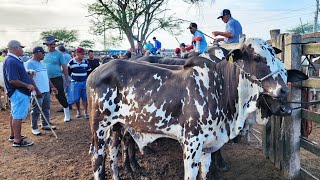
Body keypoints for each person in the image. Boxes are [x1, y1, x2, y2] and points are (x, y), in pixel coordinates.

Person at [3, 40, 35, 147]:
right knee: (17, 115)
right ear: (15, 48)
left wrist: (26, 73)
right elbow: (12, 80)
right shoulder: (11, 61)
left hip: (17, 92)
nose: (22, 50)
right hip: (18, 92)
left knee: (14, 114)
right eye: (21, 48)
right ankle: (17, 140)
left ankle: (14, 135)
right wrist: (27, 85)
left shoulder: (12, 60)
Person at [26, 46, 58, 135]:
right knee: (36, 109)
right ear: (37, 53)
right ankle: (34, 127)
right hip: (37, 91)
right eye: (43, 53)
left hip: (46, 90)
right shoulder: (29, 63)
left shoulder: (42, 63)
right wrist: (37, 90)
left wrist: (52, 87)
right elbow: (30, 79)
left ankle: (45, 124)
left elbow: (46, 76)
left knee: (46, 108)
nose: (44, 55)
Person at [42, 35, 71, 122]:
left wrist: (66, 79)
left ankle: (67, 113)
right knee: (45, 98)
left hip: (57, 78)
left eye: (54, 43)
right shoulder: (43, 54)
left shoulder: (59, 54)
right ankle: (45, 119)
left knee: (60, 95)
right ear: (47, 45)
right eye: (51, 44)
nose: (53, 45)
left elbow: (64, 67)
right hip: (45, 79)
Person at [68, 47, 91, 119]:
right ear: (77, 54)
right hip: (75, 83)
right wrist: (73, 78)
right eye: (82, 54)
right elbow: (68, 72)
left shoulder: (86, 62)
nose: (83, 56)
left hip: (84, 82)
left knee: (85, 98)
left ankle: (86, 112)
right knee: (76, 98)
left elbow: (89, 71)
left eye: (84, 54)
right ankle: (78, 111)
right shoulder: (71, 62)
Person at [58, 45, 73, 109]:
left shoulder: (62, 56)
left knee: (65, 89)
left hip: (64, 74)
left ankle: (67, 104)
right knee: (69, 89)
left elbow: (63, 67)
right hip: (69, 74)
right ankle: (69, 103)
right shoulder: (68, 55)